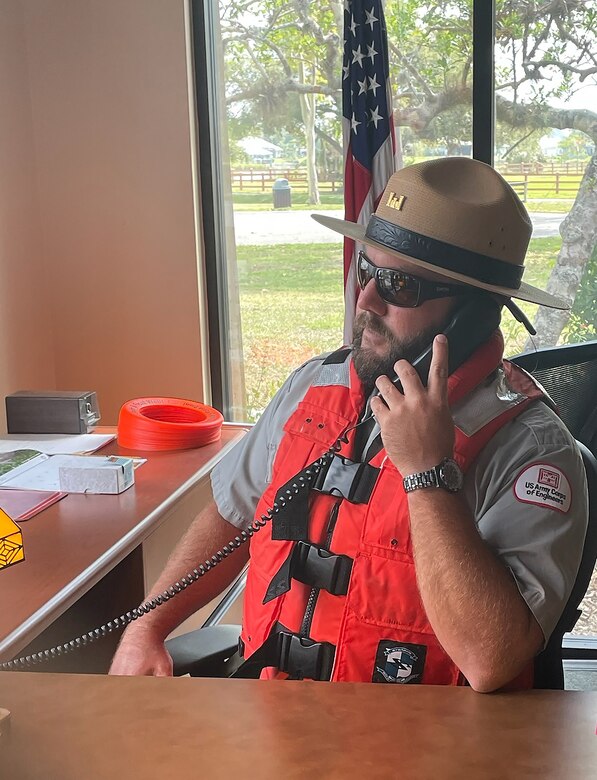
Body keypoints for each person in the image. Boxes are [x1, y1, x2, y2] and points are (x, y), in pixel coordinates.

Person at [109, 157, 588, 692]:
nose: (365, 299)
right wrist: (147, 624)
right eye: (367, 269)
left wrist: (427, 473)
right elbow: (232, 514)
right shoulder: (313, 388)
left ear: (471, 315)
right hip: (274, 725)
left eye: (398, 284)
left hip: (430, 751)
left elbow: (492, 659)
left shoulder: (533, 451)